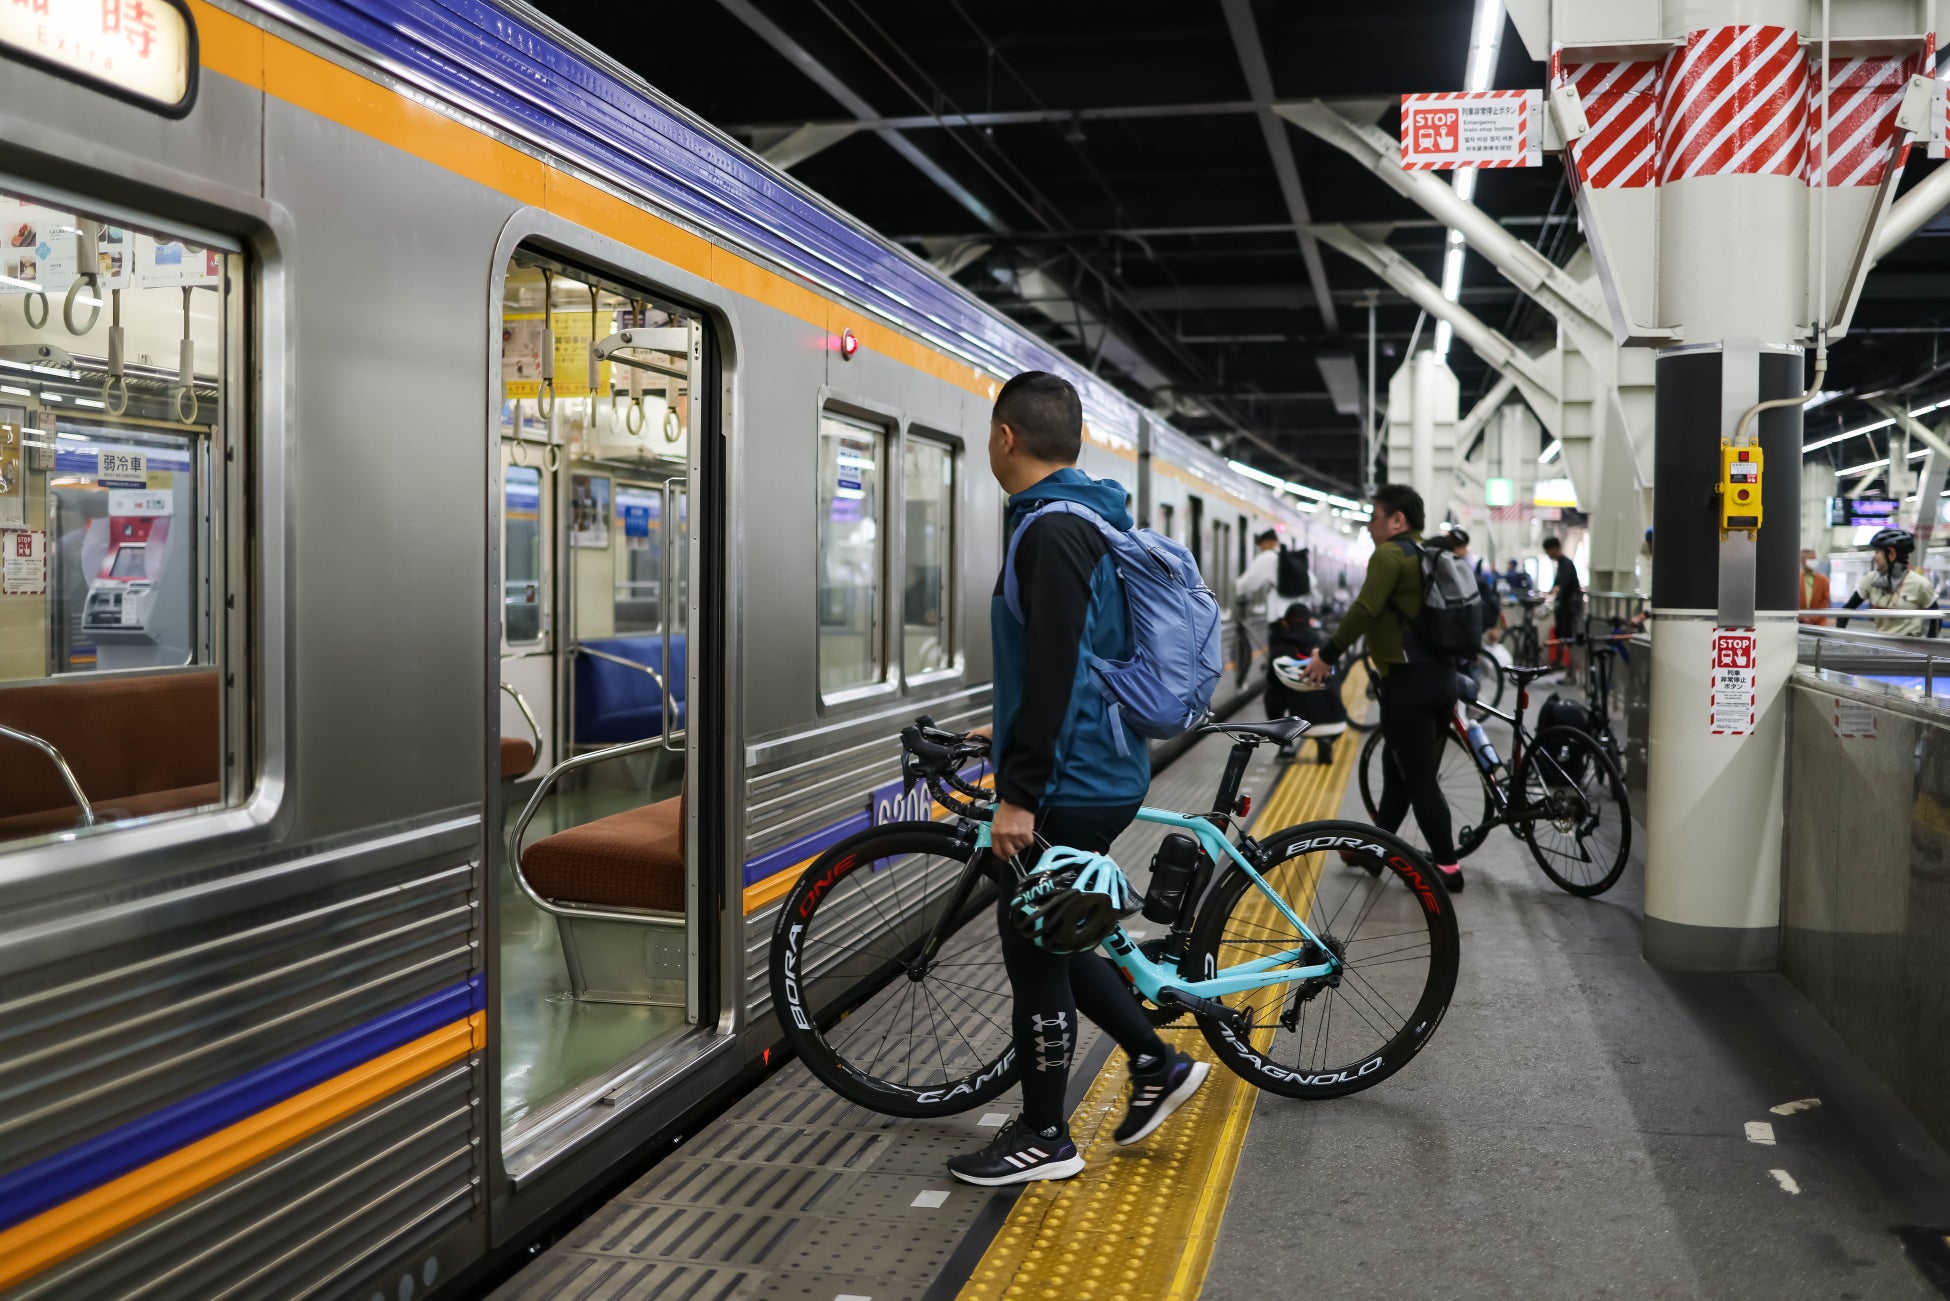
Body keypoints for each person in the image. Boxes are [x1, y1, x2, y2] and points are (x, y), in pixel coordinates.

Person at [947, 371, 1208, 1187]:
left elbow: (1060, 664)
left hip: (1072, 776)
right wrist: (1007, 724)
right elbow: (1068, 658)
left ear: (1004, 437)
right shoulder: (1080, 517)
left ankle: (1045, 1134)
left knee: (1035, 956)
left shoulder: (1051, 530)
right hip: (1092, 758)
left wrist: (1019, 793)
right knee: (1059, 935)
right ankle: (1154, 1060)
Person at [1301, 484, 1465, 893]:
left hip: (1408, 684)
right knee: (1398, 775)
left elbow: (1365, 609)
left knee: (1420, 779)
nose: (1370, 526)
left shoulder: (1390, 555)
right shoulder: (1428, 557)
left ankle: (1448, 869)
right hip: (1443, 680)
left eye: (1374, 517)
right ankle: (1376, 853)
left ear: (1397, 520)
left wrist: (1328, 654)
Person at [1266, 602, 1347, 763]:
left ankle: (1286, 745)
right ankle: (1326, 740)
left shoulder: (1280, 650)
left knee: (1273, 693)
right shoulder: (1325, 646)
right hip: (1337, 723)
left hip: (1300, 726)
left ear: (1285, 623)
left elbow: (1271, 681)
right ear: (1310, 622)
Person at [1839, 527, 1939, 637]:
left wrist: (1929, 647)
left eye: (1877, 552)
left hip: (1911, 648)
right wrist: (1839, 639)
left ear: (1891, 554)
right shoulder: (1871, 580)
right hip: (1883, 647)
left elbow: (1937, 617)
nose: (1874, 557)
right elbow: (1846, 610)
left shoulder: (1920, 584)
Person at [1233, 528, 1281, 687]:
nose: (1260, 548)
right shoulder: (1288, 558)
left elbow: (1248, 584)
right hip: (1299, 616)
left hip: (1279, 619)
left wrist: (1235, 588)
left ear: (1268, 543)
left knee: (1277, 662)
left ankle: (1280, 693)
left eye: (1261, 544)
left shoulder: (1267, 557)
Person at [1543, 537, 1582, 672]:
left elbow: (1562, 585)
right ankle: (1562, 665)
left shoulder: (1566, 564)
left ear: (1554, 549)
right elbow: (1557, 585)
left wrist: (1552, 593)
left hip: (1569, 608)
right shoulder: (1561, 564)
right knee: (1563, 636)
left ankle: (1570, 671)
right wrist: (1548, 593)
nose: (1548, 555)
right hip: (1564, 607)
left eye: (1548, 551)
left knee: (1569, 639)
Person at [1798, 549, 1831, 627]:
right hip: (1799, 623)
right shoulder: (1794, 579)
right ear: (1802, 561)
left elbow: (1825, 602)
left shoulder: (1824, 580)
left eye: (1814, 558)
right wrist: (1802, 618)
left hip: (1819, 624)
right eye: (1810, 558)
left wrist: (1812, 619)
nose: (1813, 561)